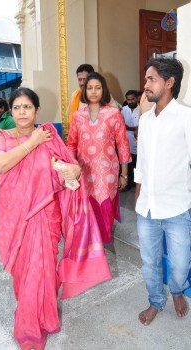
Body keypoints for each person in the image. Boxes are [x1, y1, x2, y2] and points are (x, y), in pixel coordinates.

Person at [0, 87, 112, 350]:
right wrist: (32, 142)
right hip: (15, 216)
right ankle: (32, 314)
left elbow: (69, 167)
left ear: (36, 110)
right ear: (11, 111)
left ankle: (36, 325)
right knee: (24, 274)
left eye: (27, 107)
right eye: (17, 107)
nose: (22, 112)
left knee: (41, 271)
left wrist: (73, 171)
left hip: (45, 216)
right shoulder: (3, 135)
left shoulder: (49, 135)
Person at [135, 57, 191, 326]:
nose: (145, 84)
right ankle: (156, 300)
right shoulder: (145, 120)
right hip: (147, 207)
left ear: (169, 82)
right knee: (150, 262)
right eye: (146, 79)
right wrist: (137, 193)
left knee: (180, 264)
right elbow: (142, 162)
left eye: (151, 79)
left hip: (178, 206)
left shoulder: (186, 117)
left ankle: (177, 290)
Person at [67, 72, 131, 244]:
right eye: (89, 88)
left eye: (97, 88)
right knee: (85, 209)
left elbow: (123, 145)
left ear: (104, 90)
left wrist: (124, 174)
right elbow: (71, 144)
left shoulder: (113, 113)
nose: (93, 92)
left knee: (104, 206)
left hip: (107, 171)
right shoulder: (78, 116)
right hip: (83, 170)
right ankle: (89, 246)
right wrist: (72, 169)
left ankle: (100, 245)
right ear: (84, 91)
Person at [121, 90, 139, 190]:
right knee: (128, 165)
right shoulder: (123, 110)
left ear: (137, 98)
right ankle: (127, 184)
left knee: (137, 165)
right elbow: (121, 127)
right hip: (126, 143)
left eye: (132, 99)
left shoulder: (142, 109)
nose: (130, 101)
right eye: (128, 100)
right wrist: (135, 128)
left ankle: (138, 186)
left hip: (138, 143)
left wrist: (129, 127)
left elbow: (143, 126)